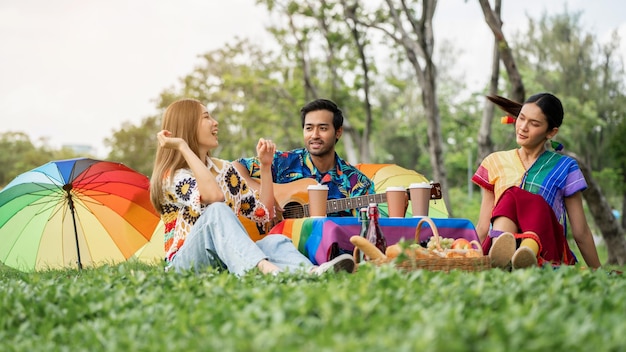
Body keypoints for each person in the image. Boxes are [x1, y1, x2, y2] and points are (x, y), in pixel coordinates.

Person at [149, 98, 355, 276]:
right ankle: (267, 271)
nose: (215, 123)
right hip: (185, 265)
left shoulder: (224, 170)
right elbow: (213, 196)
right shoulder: (173, 176)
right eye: (206, 117)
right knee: (217, 210)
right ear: (188, 125)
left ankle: (311, 272)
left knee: (274, 240)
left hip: (222, 258)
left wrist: (265, 167)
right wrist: (183, 147)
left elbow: (263, 214)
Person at [472, 93, 601, 270]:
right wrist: (468, 260)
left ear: (551, 132)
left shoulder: (565, 167)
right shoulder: (495, 162)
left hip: (546, 252)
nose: (523, 127)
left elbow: (581, 231)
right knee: (510, 197)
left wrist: (598, 271)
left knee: (521, 198)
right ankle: (501, 255)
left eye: (534, 124)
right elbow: (483, 226)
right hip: (498, 243)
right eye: (521, 119)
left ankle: (527, 254)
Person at [233, 98, 375, 218]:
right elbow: (235, 168)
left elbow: (365, 231)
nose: (314, 135)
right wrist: (266, 196)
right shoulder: (282, 161)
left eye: (323, 128)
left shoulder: (358, 183)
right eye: (309, 128)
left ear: (338, 132)